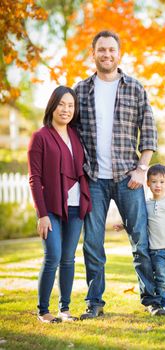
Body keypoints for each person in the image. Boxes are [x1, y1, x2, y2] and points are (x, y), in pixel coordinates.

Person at [74, 30, 165, 319]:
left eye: (111, 50)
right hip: (93, 179)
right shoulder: (80, 91)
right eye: (101, 50)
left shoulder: (135, 88)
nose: (107, 54)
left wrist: (142, 169)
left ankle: (151, 300)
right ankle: (95, 303)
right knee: (92, 242)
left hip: (129, 177)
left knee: (140, 240)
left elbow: (149, 130)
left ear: (119, 53)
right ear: (93, 54)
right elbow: (71, 133)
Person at [27, 86, 91, 323]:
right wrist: (41, 214)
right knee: (52, 256)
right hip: (51, 208)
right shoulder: (40, 137)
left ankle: (65, 309)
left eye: (70, 105)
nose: (66, 109)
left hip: (75, 208)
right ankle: (43, 311)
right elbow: (35, 178)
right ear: (52, 106)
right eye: (62, 104)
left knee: (68, 258)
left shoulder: (76, 135)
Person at [115, 164, 165, 314]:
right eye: (154, 181)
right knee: (162, 279)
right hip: (156, 251)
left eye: (162, 182)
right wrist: (124, 225)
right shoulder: (145, 204)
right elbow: (137, 220)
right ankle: (163, 302)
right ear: (148, 183)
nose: (158, 185)